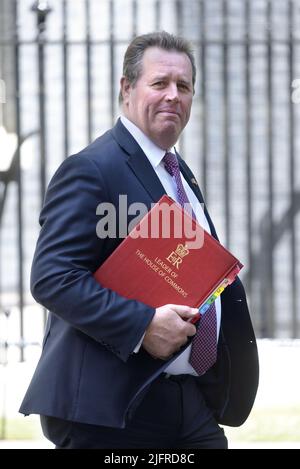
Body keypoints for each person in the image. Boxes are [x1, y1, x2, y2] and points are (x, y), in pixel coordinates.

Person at [19, 31, 259, 449]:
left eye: (183, 86)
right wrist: (142, 325)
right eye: (159, 83)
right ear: (127, 89)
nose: (173, 96)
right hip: (113, 410)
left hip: (188, 402)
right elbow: (53, 278)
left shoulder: (179, 173)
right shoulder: (92, 169)